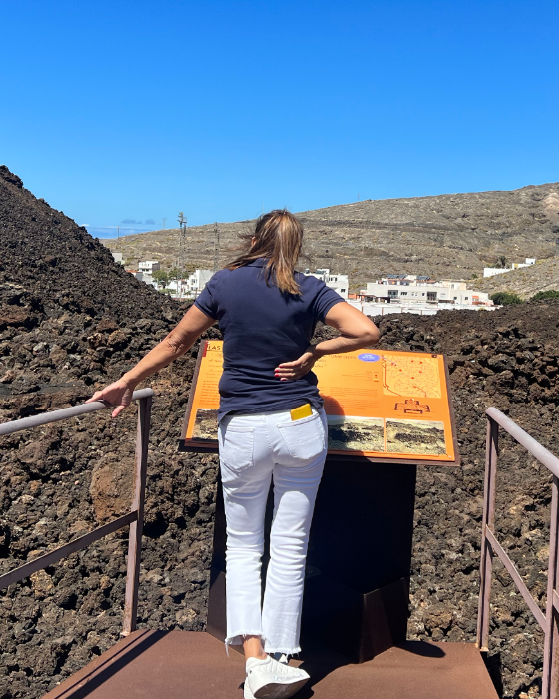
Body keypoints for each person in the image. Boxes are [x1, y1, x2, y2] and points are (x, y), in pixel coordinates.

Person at [91, 210, 381, 699]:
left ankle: (256, 662)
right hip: (300, 427)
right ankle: (285, 656)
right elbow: (367, 332)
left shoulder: (224, 285)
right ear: (296, 245)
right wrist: (317, 353)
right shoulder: (309, 288)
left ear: (254, 239)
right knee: (291, 543)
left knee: (245, 547)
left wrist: (128, 381)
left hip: (244, 428)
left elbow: (177, 341)